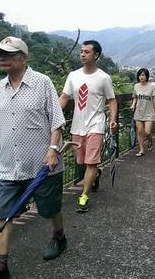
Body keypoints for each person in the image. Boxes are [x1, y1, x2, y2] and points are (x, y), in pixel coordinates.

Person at [0, 36, 67, 279]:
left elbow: (57, 120)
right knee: (3, 213)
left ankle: (59, 237)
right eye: (0, 54)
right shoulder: (0, 87)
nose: (2, 58)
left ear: (23, 57)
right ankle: (0, 267)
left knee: (49, 208)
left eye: (9, 54)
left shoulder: (42, 83)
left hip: (42, 164)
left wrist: (53, 150)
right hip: (9, 164)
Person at [59, 40, 117, 213]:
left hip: (96, 124)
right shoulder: (73, 76)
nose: (82, 54)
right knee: (82, 162)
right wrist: (53, 113)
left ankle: (84, 196)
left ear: (96, 55)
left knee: (91, 162)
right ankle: (96, 175)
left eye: (86, 52)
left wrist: (113, 118)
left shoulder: (104, 78)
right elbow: (64, 97)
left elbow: (112, 100)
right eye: (81, 51)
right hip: (77, 125)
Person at [130, 68, 155, 156]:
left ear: (147, 76)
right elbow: (135, 97)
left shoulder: (152, 86)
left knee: (147, 132)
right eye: (140, 75)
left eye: (143, 75)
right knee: (139, 131)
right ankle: (141, 149)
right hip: (139, 111)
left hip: (149, 112)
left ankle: (149, 139)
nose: (141, 77)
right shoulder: (136, 86)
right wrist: (133, 105)